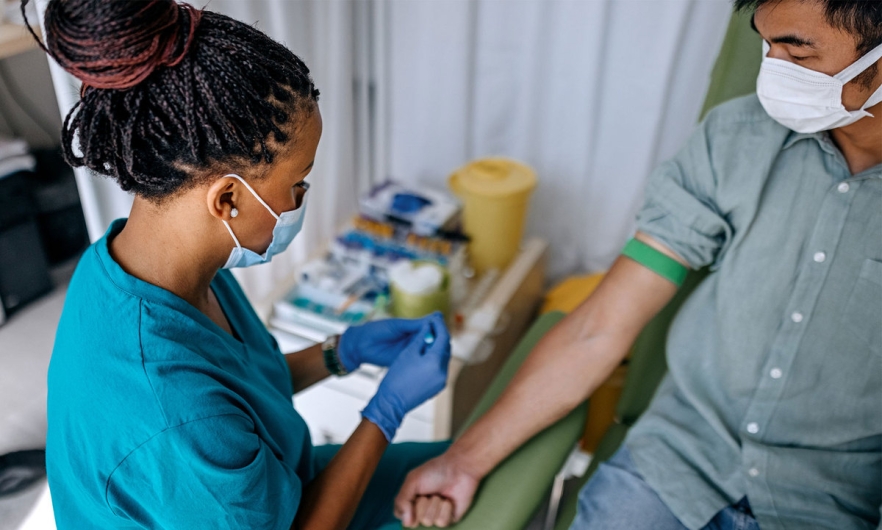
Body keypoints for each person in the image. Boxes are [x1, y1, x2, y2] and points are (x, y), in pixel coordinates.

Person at [394, 0, 882, 528]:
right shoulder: (738, 140)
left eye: (796, 51)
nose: (772, 68)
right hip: (675, 470)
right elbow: (599, 327)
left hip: (828, 504)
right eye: (766, 45)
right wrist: (462, 462)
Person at [24, 1, 452, 529]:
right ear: (227, 199)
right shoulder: (169, 408)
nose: (301, 198)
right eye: (297, 185)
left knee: (454, 464)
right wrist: (385, 412)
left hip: (275, 489)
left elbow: (242, 396)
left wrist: (342, 352)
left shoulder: (151, 267)